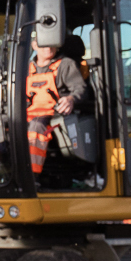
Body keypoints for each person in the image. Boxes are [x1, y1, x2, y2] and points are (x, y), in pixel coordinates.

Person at [26, 32, 90, 183]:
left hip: (53, 114)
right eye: (43, 43)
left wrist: (71, 99)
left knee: (36, 127)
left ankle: (31, 177)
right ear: (34, 45)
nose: (48, 47)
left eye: (52, 43)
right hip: (28, 112)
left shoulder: (65, 64)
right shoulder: (26, 68)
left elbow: (80, 89)